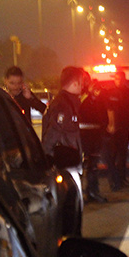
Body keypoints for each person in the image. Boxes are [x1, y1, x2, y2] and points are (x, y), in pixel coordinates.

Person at [41, 66, 85, 233]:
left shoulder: (65, 102)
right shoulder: (63, 105)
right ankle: (72, 238)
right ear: (74, 83)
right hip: (66, 162)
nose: (82, 87)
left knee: (72, 202)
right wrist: (46, 156)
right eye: (80, 83)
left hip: (68, 160)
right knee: (73, 203)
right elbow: (53, 132)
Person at [79, 76, 117, 203]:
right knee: (87, 165)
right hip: (86, 135)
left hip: (95, 134)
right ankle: (88, 192)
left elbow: (106, 109)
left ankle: (92, 191)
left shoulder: (97, 96)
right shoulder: (83, 97)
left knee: (93, 165)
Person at [106, 70, 129, 188]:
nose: (117, 81)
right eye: (116, 78)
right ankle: (113, 181)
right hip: (116, 128)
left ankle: (122, 178)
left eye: (119, 78)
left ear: (124, 79)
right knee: (113, 155)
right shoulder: (112, 92)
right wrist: (112, 124)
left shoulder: (128, 92)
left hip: (125, 126)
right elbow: (110, 109)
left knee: (123, 154)